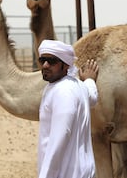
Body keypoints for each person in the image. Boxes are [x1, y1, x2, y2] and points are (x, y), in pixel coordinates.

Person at [37, 39, 99, 178]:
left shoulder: (63, 91)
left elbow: (60, 137)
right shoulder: (77, 85)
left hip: (67, 173)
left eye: (52, 61)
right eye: (43, 60)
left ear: (65, 65)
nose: (45, 65)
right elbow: (92, 97)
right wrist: (89, 80)